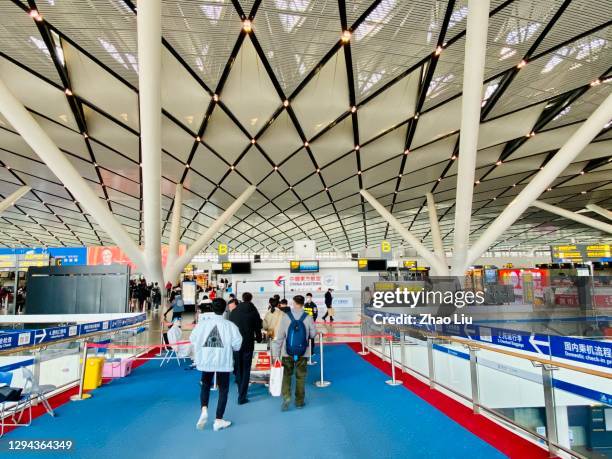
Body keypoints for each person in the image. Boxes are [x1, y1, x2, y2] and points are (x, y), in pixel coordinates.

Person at [190, 298, 243, 432]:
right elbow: (237, 345)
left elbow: (192, 339)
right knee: (223, 389)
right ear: (224, 309)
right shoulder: (230, 326)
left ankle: (204, 409)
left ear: (212, 309)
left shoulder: (202, 324)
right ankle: (218, 420)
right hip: (223, 361)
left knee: (205, 384)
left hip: (206, 360)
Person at [272, 295, 316, 411]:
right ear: (303, 303)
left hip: (287, 352)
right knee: (300, 377)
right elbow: (312, 335)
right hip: (303, 352)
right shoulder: (308, 317)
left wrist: (276, 355)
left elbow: (280, 337)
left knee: (286, 375)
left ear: (294, 302)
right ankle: (299, 402)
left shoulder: (286, 316)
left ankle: (286, 396)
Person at [229, 292, 262, 405]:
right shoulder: (254, 311)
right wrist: (259, 338)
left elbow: (231, 328)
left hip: (236, 344)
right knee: (246, 368)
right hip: (248, 343)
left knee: (238, 367)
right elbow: (258, 327)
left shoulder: (234, 312)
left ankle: (240, 390)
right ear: (251, 298)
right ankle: (242, 396)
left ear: (242, 299)